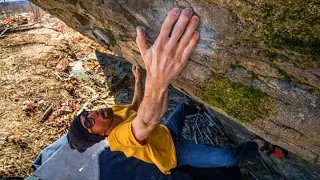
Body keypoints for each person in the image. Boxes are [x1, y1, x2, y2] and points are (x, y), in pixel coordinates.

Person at [67, 7, 257, 175]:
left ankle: (198, 109)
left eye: (87, 113)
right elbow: (146, 121)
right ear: (100, 135)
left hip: (166, 131)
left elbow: (135, 106)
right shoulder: (119, 139)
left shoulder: (113, 113)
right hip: (175, 153)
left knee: (182, 108)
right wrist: (155, 75)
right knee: (227, 157)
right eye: (90, 122)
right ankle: (259, 146)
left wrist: (138, 79)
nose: (93, 114)